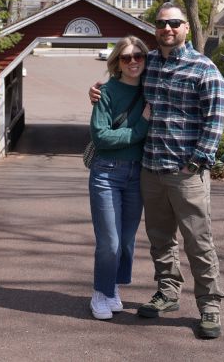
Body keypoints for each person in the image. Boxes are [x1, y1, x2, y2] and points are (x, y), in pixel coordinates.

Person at [89, 3, 224, 339]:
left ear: (186, 27)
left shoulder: (204, 69)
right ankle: (168, 292)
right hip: (149, 170)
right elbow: (123, 76)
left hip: (186, 173)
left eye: (174, 23)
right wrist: (97, 91)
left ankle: (209, 306)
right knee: (161, 240)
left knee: (198, 241)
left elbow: (215, 122)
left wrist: (197, 162)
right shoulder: (149, 63)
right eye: (162, 23)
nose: (168, 28)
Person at [87, 36, 152, 320]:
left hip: (137, 173)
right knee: (109, 242)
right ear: (117, 62)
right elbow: (101, 137)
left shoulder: (152, 89)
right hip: (106, 172)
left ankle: (112, 286)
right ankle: (100, 292)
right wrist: (139, 129)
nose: (133, 61)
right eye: (126, 57)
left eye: (138, 56)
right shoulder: (106, 92)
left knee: (126, 240)